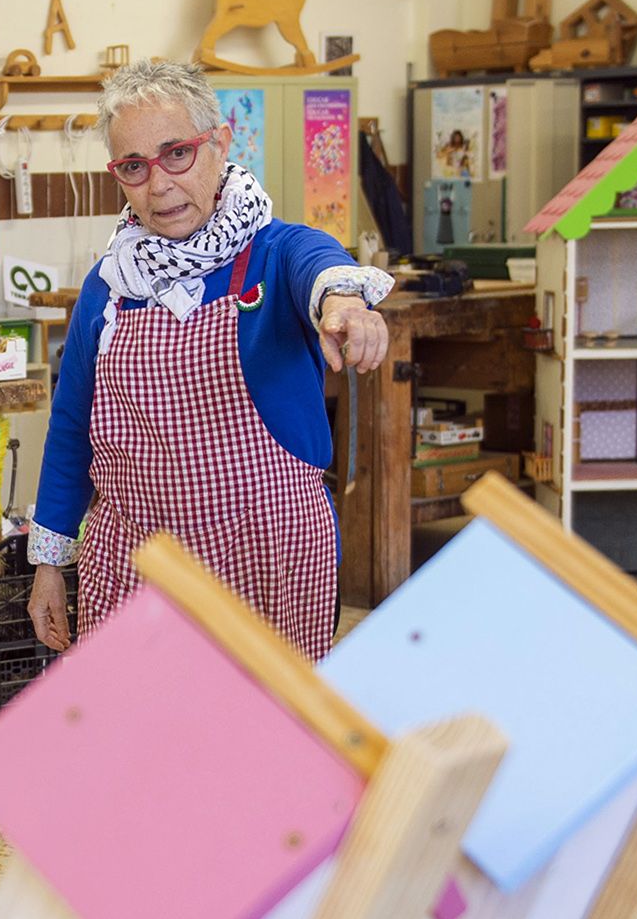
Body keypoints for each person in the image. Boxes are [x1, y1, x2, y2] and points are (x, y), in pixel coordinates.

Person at [28, 59, 394, 662]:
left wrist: (345, 302)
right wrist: (48, 564)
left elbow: (321, 266)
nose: (160, 184)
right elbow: (71, 428)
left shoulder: (275, 253)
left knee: (264, 738)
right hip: (136, 562)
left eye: (178, 154)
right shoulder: (110, 286)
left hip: (269, 560)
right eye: (133, 167)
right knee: (140, 739)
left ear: (221, 143)